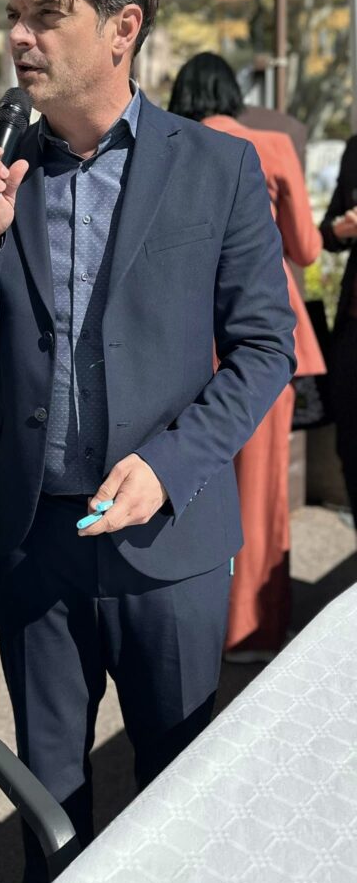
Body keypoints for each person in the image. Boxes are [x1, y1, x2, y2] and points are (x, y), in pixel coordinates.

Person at [0, 0, 296, 883]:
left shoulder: (213, 168)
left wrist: (170, 465)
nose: (19, 36)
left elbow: (265, 349)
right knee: (48, 799)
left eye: (46, 15)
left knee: (179, 790)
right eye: (13, 15)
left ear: (122, 27)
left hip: (166, 541)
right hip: (33, 538)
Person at [168, 52, 325, 661]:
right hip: (259, 334)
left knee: (186, 478)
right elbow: (305, 249)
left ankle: (191, 623)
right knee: (260, 491)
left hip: (181, 332)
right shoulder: (269, 146)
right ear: (232, 93)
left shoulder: (166, 148)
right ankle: (248, 631)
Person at [321, 133, 357, 525]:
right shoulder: (354, 150)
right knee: (349, 445)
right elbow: (326, 233)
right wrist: (342, 230)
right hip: (352, 329)